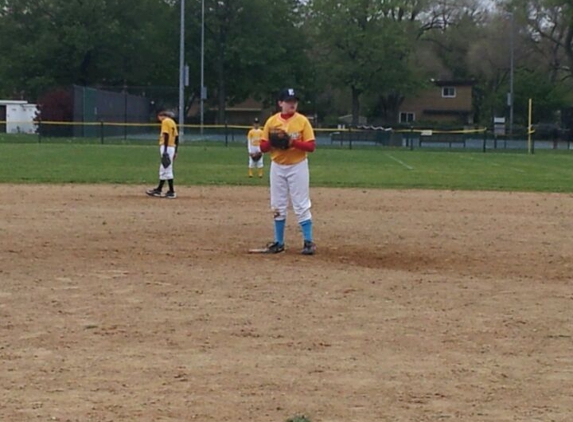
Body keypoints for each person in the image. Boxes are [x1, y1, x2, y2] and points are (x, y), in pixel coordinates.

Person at [258, 88, 316, 255]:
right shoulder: (271, 122)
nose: (292, 104)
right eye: (288, 101)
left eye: (294, 101)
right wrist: (274, 142)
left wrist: (292, 142)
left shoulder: (302, 121)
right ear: (280, 103)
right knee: (277, 204)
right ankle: (279, 242)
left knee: (301, 204)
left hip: (297, 166)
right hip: (277, 166)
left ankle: (308, 242)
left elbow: (311, 146)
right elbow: (262, 147)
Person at [146, 110, 179, 199]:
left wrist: (164, 150)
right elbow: (176, 137)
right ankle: (159, 190)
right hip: (171, 147)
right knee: (164, 168)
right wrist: (176, 151)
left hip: (166, 147)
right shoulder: (172, 122)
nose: (159, 119)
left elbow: (166, 135)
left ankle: (171, 191)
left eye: (159, 117)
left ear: (162, 116)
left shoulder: (165, 121)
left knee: (167, 169)